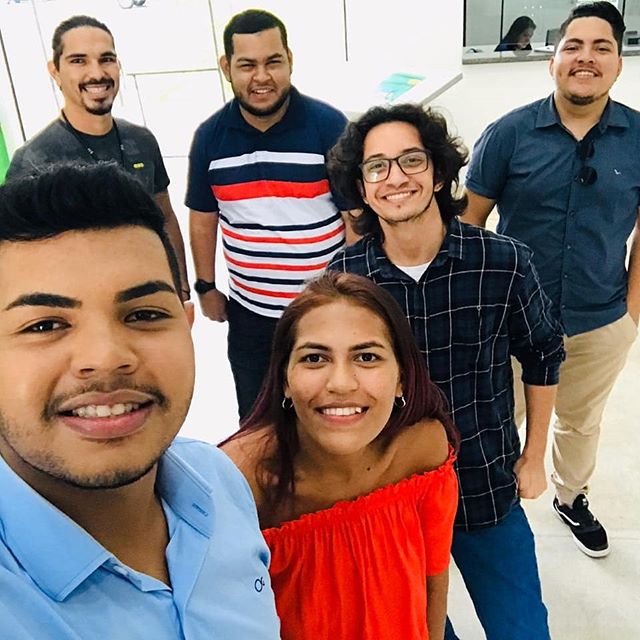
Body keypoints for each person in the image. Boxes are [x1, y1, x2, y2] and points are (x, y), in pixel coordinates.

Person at [0, 162, 280, 639]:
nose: (106, 358)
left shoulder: (217, 482)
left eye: (144, 314)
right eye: (45, 325)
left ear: (186, 326)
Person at [326, 103, 565, 640]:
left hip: (486, 482)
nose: (395, 178)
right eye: (376, 167)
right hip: (392, 494)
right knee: (418, 629)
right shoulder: (346, 279)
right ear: (362, 189)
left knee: (522, 629)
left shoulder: (503, 261)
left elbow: (543, 353)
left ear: (438, 173)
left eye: (411, 160)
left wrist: (533, 457)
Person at [464, 1, 639, 558]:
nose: (586, 58)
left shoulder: (638, 138)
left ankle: (572, 497)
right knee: (496, 417)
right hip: (512, 321)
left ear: (618, 63)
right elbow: (470, 224)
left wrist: (632, 312)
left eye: (601, 47)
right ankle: (490, 504)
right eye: (573, 46)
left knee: (580, 422)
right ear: (553, 59)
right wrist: (476, 307)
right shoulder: (509, 134)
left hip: (600, 319)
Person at [222, 271, 459, 640]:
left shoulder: (424, 450)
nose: (341, 384)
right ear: (284, 380)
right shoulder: (240, 482)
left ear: (401, 378)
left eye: (366, 356)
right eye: (315, 358)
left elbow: (434, 576)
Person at [186, 9, 353, 419]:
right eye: (247, 65)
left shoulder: (329, 127)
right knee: (258, 421)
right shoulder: (210, 137)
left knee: (325, 416)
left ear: (289, 60)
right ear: (226, 67)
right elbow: (203, 218)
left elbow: (355, 218)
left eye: (272, 62)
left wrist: (350, 294)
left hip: (322, 310)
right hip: (250, 316)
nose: (261, 77)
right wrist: (206, 286)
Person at [6, 15, 189, 298]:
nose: (97, 73)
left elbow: (164, 217)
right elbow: (18, 260)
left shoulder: (141, 140)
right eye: (79, 61)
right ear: (55, 71)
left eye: (106, 59)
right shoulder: (34, 161)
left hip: (146, 298)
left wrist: (180, 288)